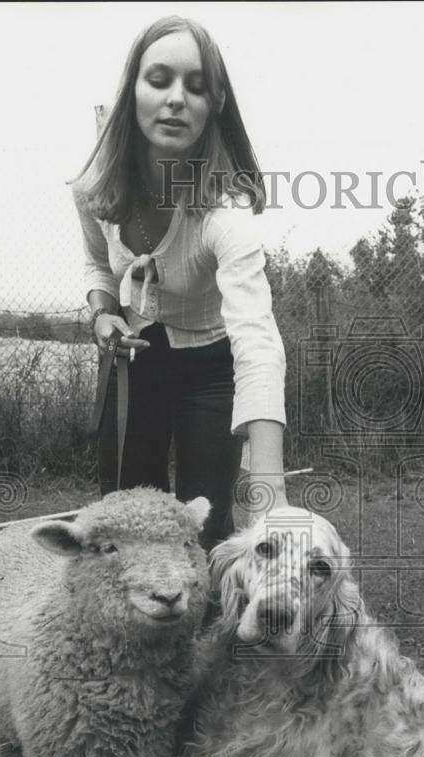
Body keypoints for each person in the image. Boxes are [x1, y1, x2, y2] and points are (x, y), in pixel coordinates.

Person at [71, 15, 287, 552]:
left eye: (196, 86)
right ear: (132, 90)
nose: (175, 99)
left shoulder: (225, 212)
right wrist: (103, 314)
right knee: (124, 525)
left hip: (212, 369)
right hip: (134, 359)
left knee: (206, 532)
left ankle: (208, 632)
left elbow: (257, 342)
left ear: (214, 104)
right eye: (159, 79)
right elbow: (99, 265)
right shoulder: (93, 189)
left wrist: (270, 488)